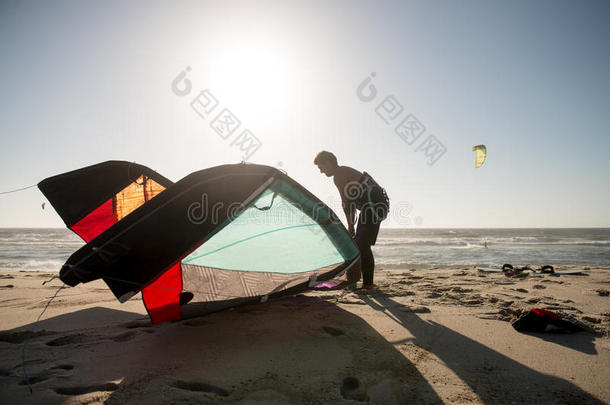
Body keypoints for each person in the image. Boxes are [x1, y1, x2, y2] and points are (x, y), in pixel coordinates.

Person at [314, 151, 389, 289]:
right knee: (361, 244)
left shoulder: (339, 174)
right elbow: (352, 203)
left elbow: (346, 203)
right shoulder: (343, 171)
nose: (321, 172)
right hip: (374, 206)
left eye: (321, 167)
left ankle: (367, 285)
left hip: (372, 206)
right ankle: (362, 283)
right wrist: (351, 225)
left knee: (362, 245)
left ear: (328, 162)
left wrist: (350, 226)